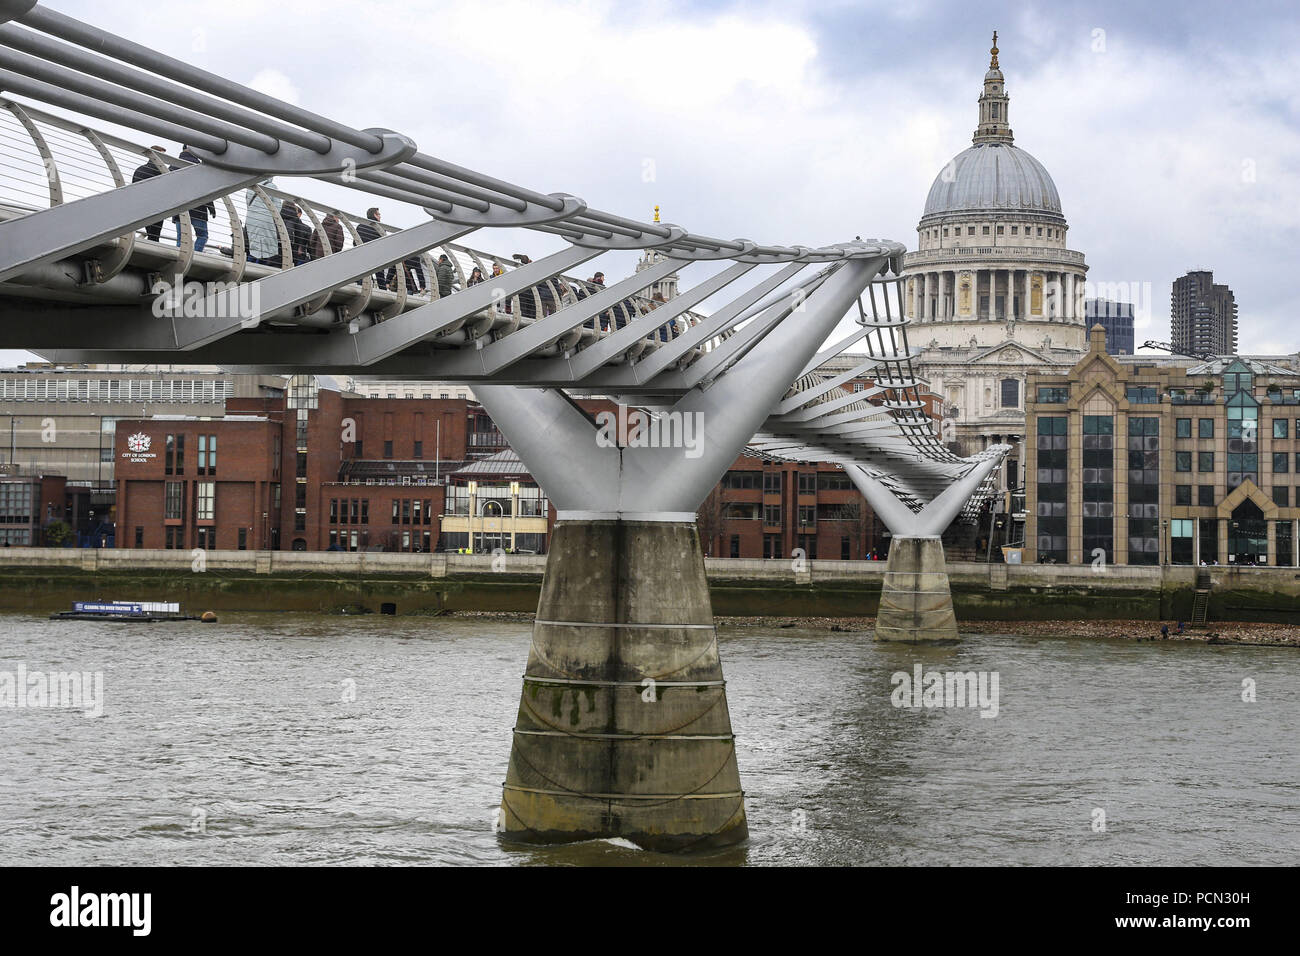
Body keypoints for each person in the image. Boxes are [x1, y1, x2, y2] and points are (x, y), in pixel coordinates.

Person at [168, 146, 216, 252]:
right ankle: (195, 255)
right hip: (198, 209)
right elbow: (206, 189)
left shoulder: (172, 165)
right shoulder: (200, 166)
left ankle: (179, 258)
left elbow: (169, 188)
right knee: (202, 235)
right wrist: (211, 208)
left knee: (181, 239)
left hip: (179, 208)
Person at [131, 147, 167, 241]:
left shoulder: (139, 170)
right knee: (155, 235)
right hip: (157, 207)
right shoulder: (162, 172)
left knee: (150, 232)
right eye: (162, 156)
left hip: (141, 206)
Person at [243, 179, 282, 265]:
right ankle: (258, 267)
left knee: (254, 245)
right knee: (266, 247)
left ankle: (248, 265)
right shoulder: (271, 186)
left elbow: (247, 203)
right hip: (265, 218)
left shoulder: (250, 186)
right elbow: (277, 207)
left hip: (250, 219)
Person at [356, 207, 390, 288]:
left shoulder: (360, 226)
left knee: (363, 276)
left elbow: (355, 242)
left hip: (363, 255)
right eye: (379, 214)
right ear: (374, 215)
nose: (380, 216)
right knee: (380, 278)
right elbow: (385, 244)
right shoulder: (380, 227)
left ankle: (361, 289)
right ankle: (383, 293)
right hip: (377, 257)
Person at [279, 201, 312, 265]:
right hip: (293, 251)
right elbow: (300, 236)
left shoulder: (277, 216)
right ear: (298, 213)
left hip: (276, 247)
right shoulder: (300, 224)